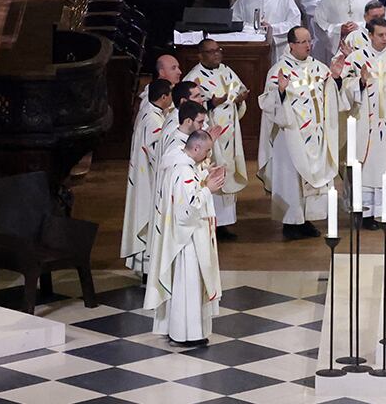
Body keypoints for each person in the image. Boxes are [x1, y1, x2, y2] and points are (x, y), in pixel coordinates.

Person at [257, 26, 346, 239]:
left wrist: (335, 78)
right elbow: (268, 104)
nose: (308, 46)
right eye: (303, 42)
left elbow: (331, 95)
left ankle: (306, 220)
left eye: (309, 41)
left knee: (314, 178)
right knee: (291, 179)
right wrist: (280, 91)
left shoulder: (319, 68)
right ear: (291, 45)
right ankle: (290, 223)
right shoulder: (279, 71)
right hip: (290, 135)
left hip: (315, 135)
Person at [145, 129, 223, 347]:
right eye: (207, 150)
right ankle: (187, 333)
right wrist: (209, 189)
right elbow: (187, 209)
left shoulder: (181, 164)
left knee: (184, 285)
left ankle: (180, 330)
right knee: (188, 286)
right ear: (195, 148)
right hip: (188, 240)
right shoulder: (183, 170)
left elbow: (188, 192)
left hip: (184, 237)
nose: (208, 155)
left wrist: (205, 176)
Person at [341, 16, 386, 224]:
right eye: (380, 35)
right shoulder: (356, 58)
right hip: (365, 123)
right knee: (366, 167)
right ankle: (365, 214)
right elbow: (343, 88)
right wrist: (360, 82)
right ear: (369, 35)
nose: (385, 39)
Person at [184, 39, 249, 230]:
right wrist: (211, 104)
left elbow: (239, 91)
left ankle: (225, 223)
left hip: (230, 133)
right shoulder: (194, 78)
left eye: (218, 50)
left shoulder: (226, 71)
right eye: (211, 52)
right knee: (213, 173)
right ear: (200, 55)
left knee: (228, 174)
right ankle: (213, 224)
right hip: (210, 138)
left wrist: (238, 101)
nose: (216, 55)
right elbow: (188, 108)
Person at [121, 77, 176, 272]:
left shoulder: (149, 112)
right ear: (163, 97)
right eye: (171, 94)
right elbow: (156, 151)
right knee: (150, 220)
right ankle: (148, 271)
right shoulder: (153, 120)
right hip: (149, 180)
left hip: (146, 175)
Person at [309, 0, 374, 62]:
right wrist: (339, 29)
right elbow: (319, 24)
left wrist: (359, 27)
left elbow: (378, 23)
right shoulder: (328, 0)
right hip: (339, 52)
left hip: (365, 50)